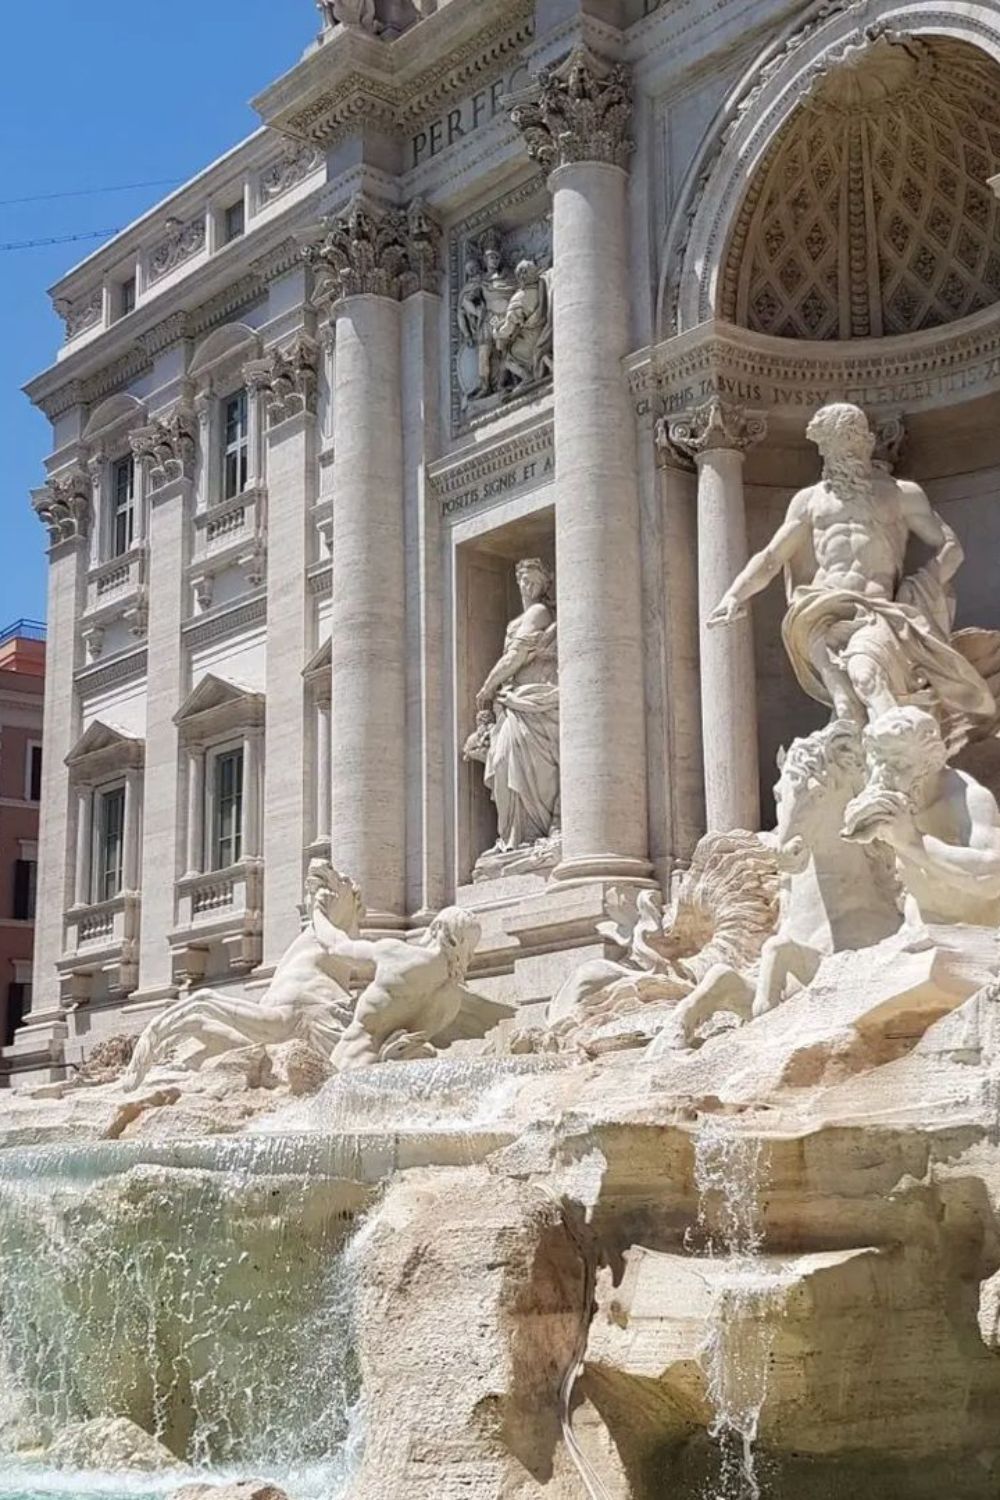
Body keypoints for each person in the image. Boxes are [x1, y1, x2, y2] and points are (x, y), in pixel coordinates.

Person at [707, 403, 994, 745]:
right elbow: (770, 557)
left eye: (854, 441)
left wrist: (920, 586)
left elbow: (950, 548)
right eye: (838, 444)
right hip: (820, 610)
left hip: (876, 612)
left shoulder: (900, 494)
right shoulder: (809, 502)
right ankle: (862, 753)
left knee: (865, 672)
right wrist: (734, 595)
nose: (849, 451)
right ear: (824, 449)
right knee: (845, 703)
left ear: (869, 441)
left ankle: (898, 753)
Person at [309, 896, 483, 1071]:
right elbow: (407, 1049)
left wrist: (318, 911)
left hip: (343, 1070)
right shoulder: (451, 1001)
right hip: (378, 1079)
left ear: (436, 927)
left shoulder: (397, 955)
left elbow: (336, 946)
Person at [465, 558, 560, 854]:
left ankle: (530, 833)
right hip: (512, 701)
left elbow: (517, 655)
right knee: (504, 761)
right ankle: (514, 836)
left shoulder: (539, 612)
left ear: (545, 584)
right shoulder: (519, 618)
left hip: (532, 697)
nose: (527, 585)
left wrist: (488, 686)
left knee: (521, 759)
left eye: (534, 580)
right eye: (523, 579)